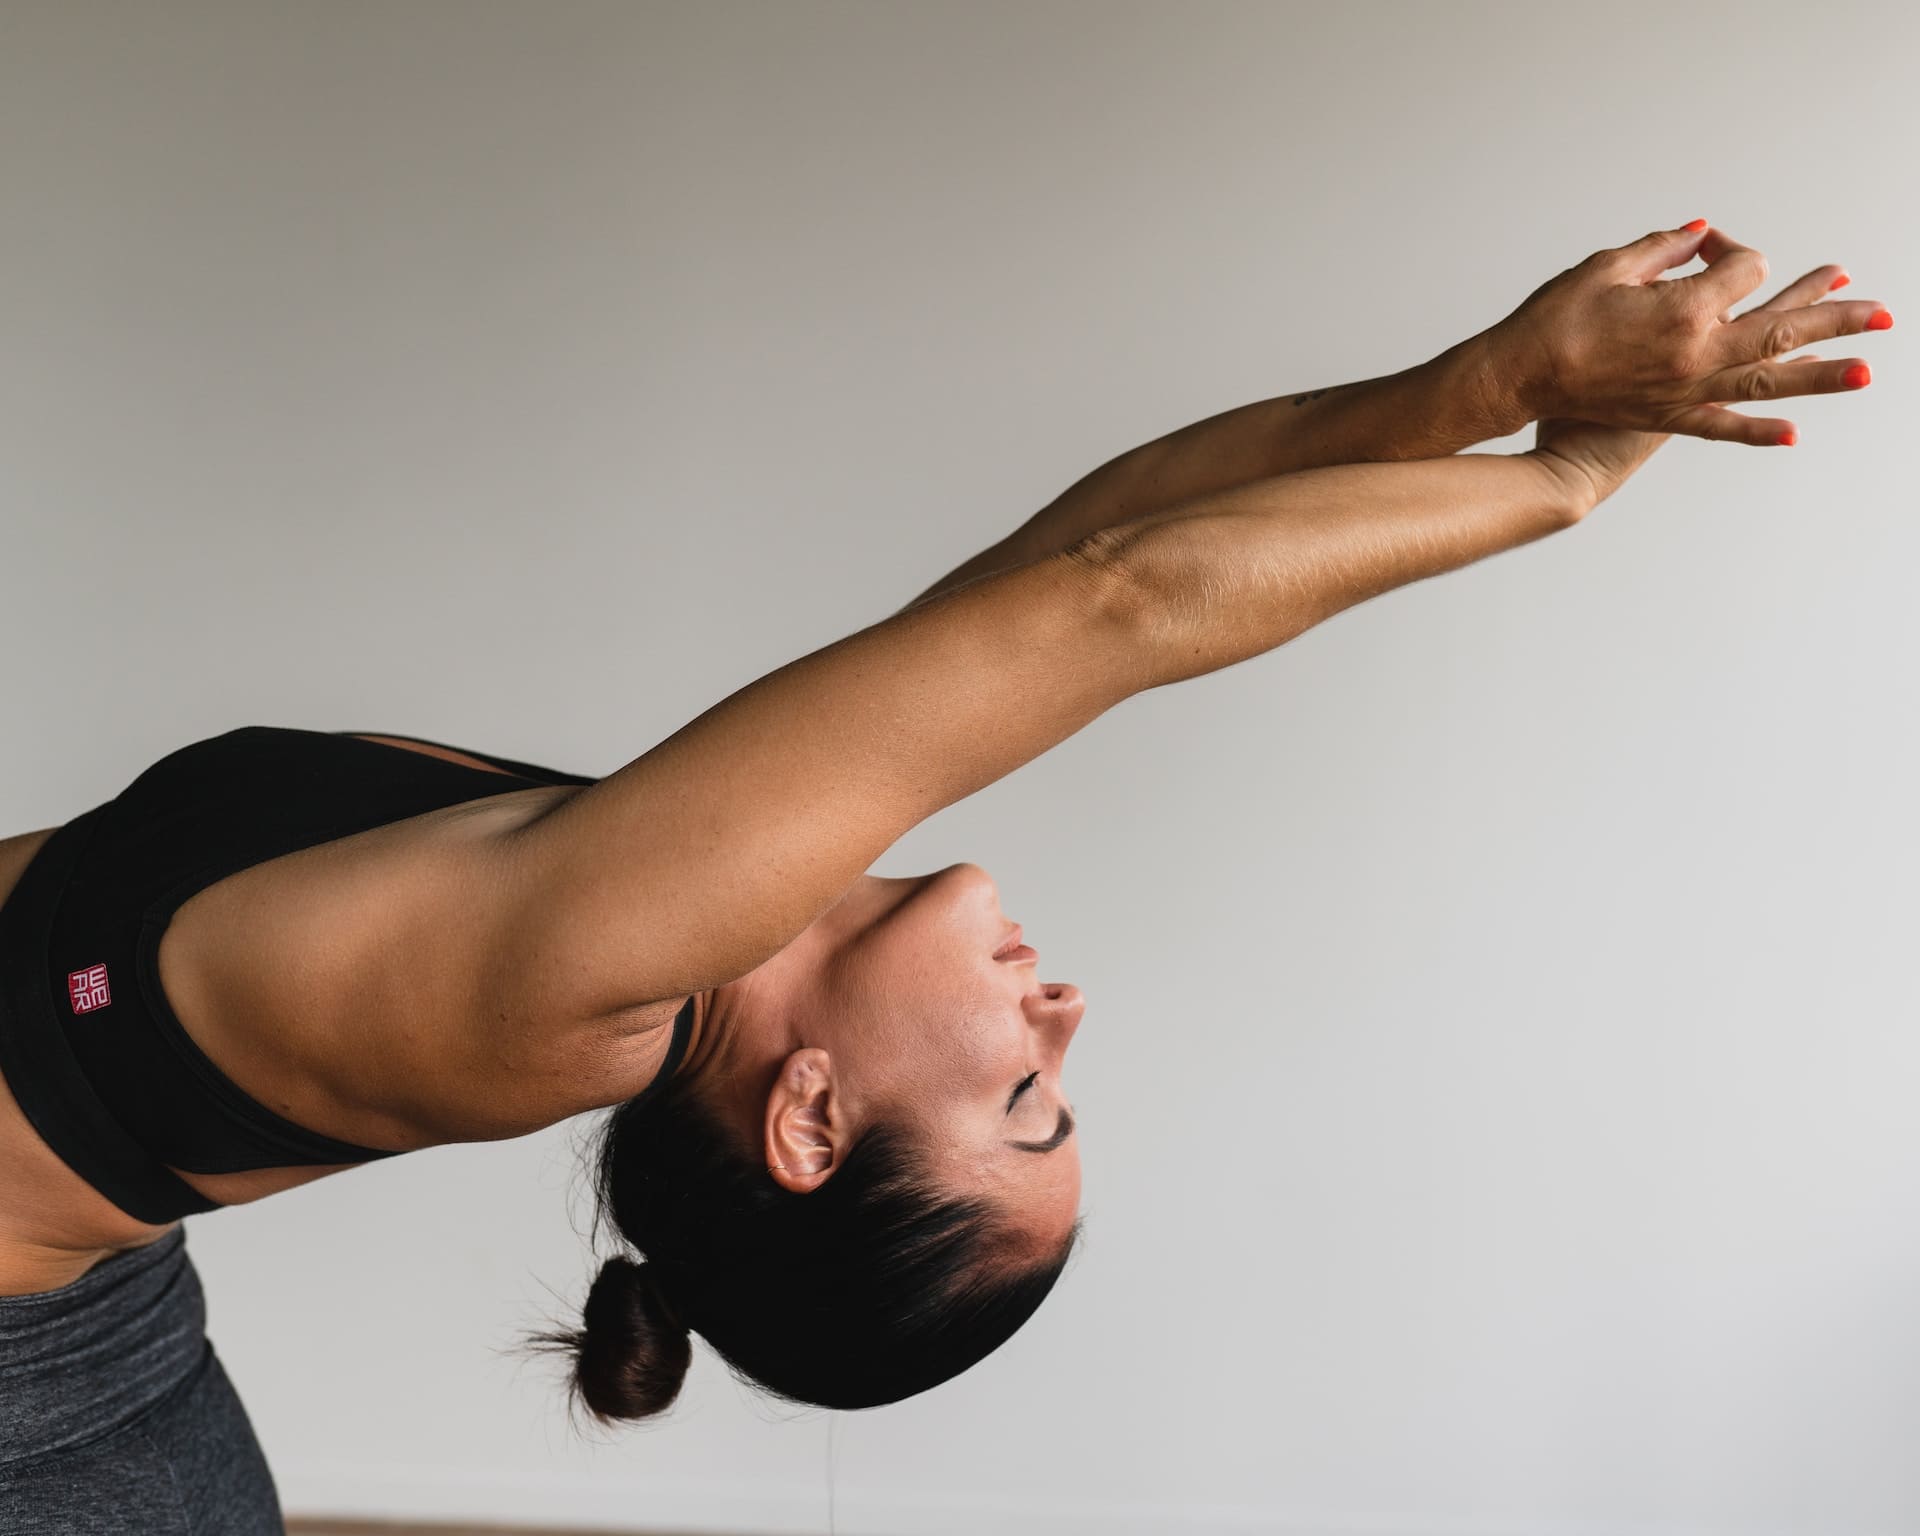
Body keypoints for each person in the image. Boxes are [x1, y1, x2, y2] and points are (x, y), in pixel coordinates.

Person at [0, 222, 1886, 1527]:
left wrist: (1572, 482)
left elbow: (1124, 609)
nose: (1064, 1011)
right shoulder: (704, 897)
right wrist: (1491, 378)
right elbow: (1105, 539)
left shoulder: (579, 988)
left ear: (808, 1122)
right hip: (100, 1323)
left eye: (1025, 1096)